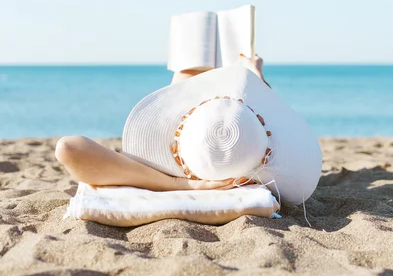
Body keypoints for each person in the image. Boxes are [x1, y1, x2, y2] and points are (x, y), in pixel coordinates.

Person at [55, 54, 267, 192]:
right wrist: (255, 75)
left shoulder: (156, 170)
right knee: (189, 67)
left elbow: (68, 148)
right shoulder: (248, 144)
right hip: (221, 132)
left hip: (182, 164)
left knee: (189, 64)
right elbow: (262, 119)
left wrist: (180, 184)